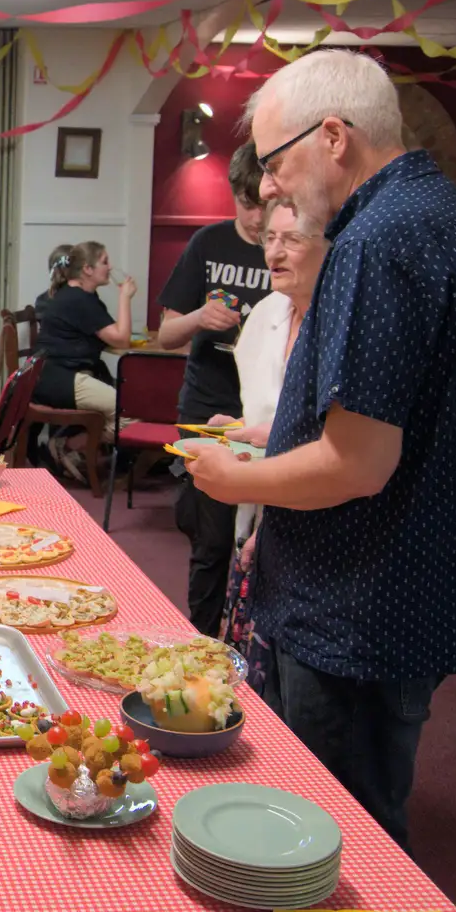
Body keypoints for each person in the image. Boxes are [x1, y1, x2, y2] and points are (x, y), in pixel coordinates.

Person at [189, 49, 456, 850]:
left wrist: (236, 482)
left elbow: (356, 463)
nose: (268, 185)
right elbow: (412, 419)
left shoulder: (377, 237)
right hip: (417, 587)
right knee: (369, 808)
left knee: (335, 838)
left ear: (334, 136)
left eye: (274, 161)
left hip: (358, 602)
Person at [155, 141, 273, 636]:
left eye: (262, 204)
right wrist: (201, 317)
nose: (253, 217)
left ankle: (250, 639)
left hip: (266, 408)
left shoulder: (293, 248)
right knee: (210, 540)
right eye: (244, 204)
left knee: (261, 539)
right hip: (209, 403)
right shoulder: (207, 243)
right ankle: (200, 639)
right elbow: (165, 336)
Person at [213, 198, 328, 690]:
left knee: (294, 686)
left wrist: (272, 436)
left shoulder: (342, 322)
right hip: (258, 507)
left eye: (293, 240)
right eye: (270, 240)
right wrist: (239, 425)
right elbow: (271, 408)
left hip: (313, 518)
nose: (274, 254)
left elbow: (339, 440)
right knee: (250, 669)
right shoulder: (266, 313)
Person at [33, 242, 136, 481]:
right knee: (130, 413)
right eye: (105, 261)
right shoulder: (79, 299)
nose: (110, 267)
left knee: (125, 408)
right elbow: (121, 339)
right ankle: (69, 443)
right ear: (88, 269)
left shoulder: (78, 296)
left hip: (54, 375)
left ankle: (68, 444)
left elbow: (105, 334)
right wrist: (125, 297)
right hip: (59, 378)